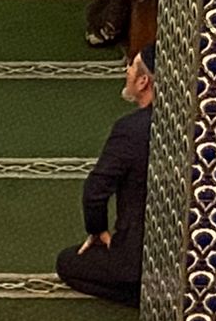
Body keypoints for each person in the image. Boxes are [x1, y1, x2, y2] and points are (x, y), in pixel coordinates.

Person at [56, 43, 155, 307]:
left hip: (141, 254)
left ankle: (144, 294)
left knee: (68, 262)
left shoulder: (131, 130)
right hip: (190, 253)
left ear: (143, 81)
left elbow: (95, 192)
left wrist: (97, 230)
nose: (127, 70)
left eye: (131, 66)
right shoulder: (196, 123)